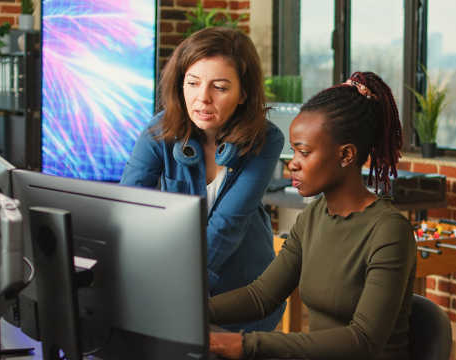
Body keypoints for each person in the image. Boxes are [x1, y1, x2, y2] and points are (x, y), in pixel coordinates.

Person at [208, 71, 417, 360]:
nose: (292, 164)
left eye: (304, 152)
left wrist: (244, 344)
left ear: (346, 155)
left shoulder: (389, 231)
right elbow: (262, 296)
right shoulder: (315, 215)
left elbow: (363, 341)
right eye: (293, 151)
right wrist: (194, 310)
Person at [120, 27, 286, 332]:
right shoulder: (159, 130)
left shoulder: (265, 139)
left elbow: (226, 225)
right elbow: (129, 208)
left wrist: (179, 290)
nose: (202, 98)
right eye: (193, 83)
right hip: (173, 286)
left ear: (243, 94)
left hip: (244, 295)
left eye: (220, 87)